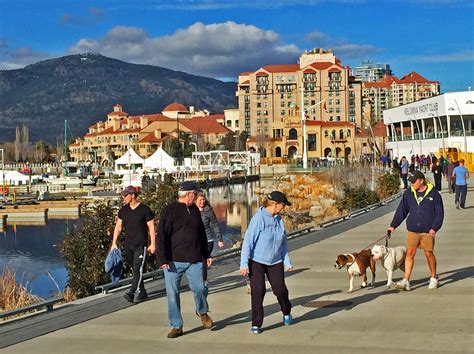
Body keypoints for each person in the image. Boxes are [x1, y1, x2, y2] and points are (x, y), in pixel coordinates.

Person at [156, 181, 213, 339]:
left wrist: (206, 254)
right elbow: (161, 236)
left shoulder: (194, 210)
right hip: (173, 261)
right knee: (173, 294)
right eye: (195, 193)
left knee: (200, 287)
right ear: (188, 194)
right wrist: (162, 259)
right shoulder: (170, 210)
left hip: (194, 258)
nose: (197, 196)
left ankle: (202, 312)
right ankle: (176, 326)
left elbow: (201, 234)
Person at [239, 191, 293, 334]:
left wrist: (287, 262)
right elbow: (248, 243)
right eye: (283, 205)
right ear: (275, 204)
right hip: (256, 261)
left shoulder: (279, 220)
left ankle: (286, 311)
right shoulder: (258, 219)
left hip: (275, 261)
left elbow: (283, 244)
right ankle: (256, 323)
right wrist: (244, 263)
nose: (284, 208)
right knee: (258, 291)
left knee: (280, 290)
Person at [387, 170, 444, 291]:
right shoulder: (408, 193)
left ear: (421, 180)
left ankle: (433, 278)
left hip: (428, 231)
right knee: (410, 253)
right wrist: (393, 226)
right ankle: (406, 281)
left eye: (414, 181)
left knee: (428, 254)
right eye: (411, 182)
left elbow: (439, 213)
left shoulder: (434, 194)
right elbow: (401, 211)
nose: (412, 184)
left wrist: (435, 227)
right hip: (413, 229)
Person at [111, 185, 156, 303]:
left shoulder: (145, 209)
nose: (123, 197)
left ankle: (132, 292)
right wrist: (113, 243)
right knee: (135, 270)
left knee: (137, 268)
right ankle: (143, 291)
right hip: (128, 245)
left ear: (132, 195)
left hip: (141, 245)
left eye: (125, 195)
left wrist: (153, 244)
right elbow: (118, 227)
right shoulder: (123, 211)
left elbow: (151, 227)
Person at [195, 192, 224, 286]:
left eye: (203, 200)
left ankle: (203, 281)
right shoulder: (192, 210)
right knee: (196, 261)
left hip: (208, 240)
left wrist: (219, 239)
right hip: (195, 240)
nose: (202, 202)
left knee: (203, 260)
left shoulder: (208, 210)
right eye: (200, 200)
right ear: (195, 200)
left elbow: (215, 225)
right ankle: (197, 280)